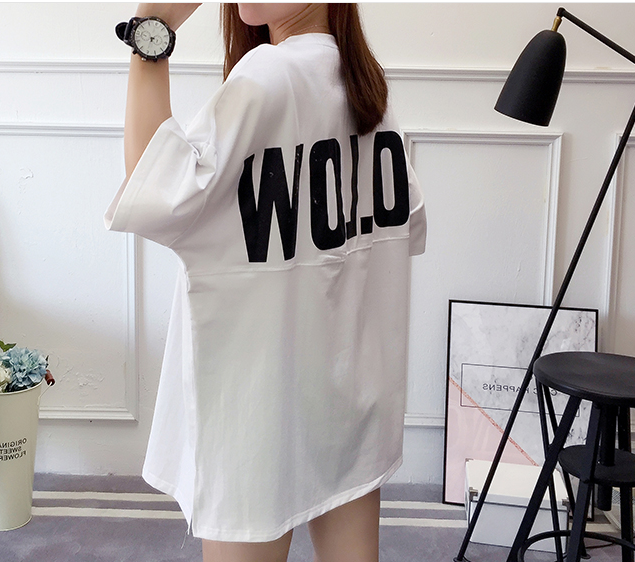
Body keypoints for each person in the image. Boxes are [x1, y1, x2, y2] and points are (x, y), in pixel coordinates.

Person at [105, 4, 426, 561]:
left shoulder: (266, 76)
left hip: (257, 411)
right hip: (349, 393)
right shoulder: (366, 88)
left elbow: (153, 192)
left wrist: (152, 30)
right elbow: (407, 223)